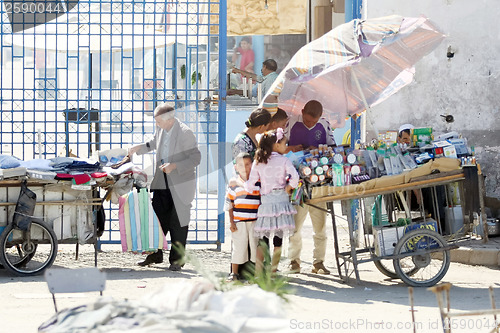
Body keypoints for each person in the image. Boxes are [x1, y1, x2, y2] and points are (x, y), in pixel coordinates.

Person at [128, 103, 201, 271]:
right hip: (162, 183)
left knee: (178, 223)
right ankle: (155, 254)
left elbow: (196, 158)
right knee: (158, 221)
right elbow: (153, 143)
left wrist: (174, 165)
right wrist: (139, 148)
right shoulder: (161, 129)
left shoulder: (185, 133)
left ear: (169, 120)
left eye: (159, 121)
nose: (156, 124)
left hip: (181, 185)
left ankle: (176, 260)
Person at [285, 100, 335, 274]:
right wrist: (292, 148)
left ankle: (318, 262)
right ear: (302, 111)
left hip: (319, 183)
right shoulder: (290, 123)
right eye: (307, 121)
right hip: (297, 183)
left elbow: (333, 150)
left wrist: (319, 150)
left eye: (314, 122)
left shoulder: (325, 125)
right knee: (295, 225)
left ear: (320, 118)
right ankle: (294, 261)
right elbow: (280, 148)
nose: (310, 124)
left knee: (320, 226)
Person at [245, 128, 299, 275]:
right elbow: (295, 178)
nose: (285, 146)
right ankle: (273, 271)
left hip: (266, 203)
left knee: (263, 239)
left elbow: (250, 185)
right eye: (284, 143)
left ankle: (258, 272)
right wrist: (288, 188)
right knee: (278, 239)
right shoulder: (284, 160)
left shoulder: (258, 161)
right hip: (282, 202)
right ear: (276, 144)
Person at [225, 152, 260, 281]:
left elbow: (261, 202)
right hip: (239, 222)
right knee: (238, 247)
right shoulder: (233, 185)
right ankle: (234, 273)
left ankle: (257, 275)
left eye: (247, 164)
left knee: (255, 248)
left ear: (252, 165)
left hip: (255, 222)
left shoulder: (257, 182)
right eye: (240, 165)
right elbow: (229, 205)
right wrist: (232, 222)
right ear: (236, 167)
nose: (244, 167)